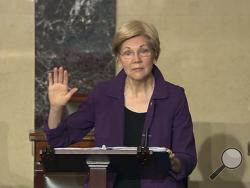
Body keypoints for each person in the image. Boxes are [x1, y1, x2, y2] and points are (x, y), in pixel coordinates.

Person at [45, 20, 197, 188]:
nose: (136, 59)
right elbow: (58, 139)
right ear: (119, 58)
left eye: (143, 51)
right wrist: (56, 108)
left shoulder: (174, 97)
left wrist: (173, 161)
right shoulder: (102, 94)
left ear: (155, 53)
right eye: (127, 53)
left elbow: (188, 158)